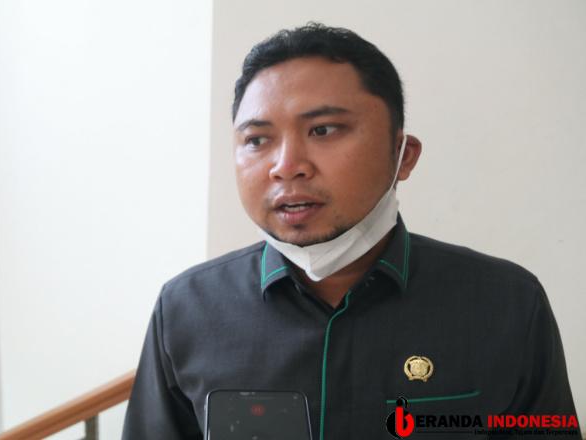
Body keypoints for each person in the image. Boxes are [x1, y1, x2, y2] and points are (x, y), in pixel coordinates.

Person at [121, 23, 581, 439]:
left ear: (403, 155)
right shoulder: (186, 309)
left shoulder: (506, 303)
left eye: (323, 130)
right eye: (258, 139)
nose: (286, 166)